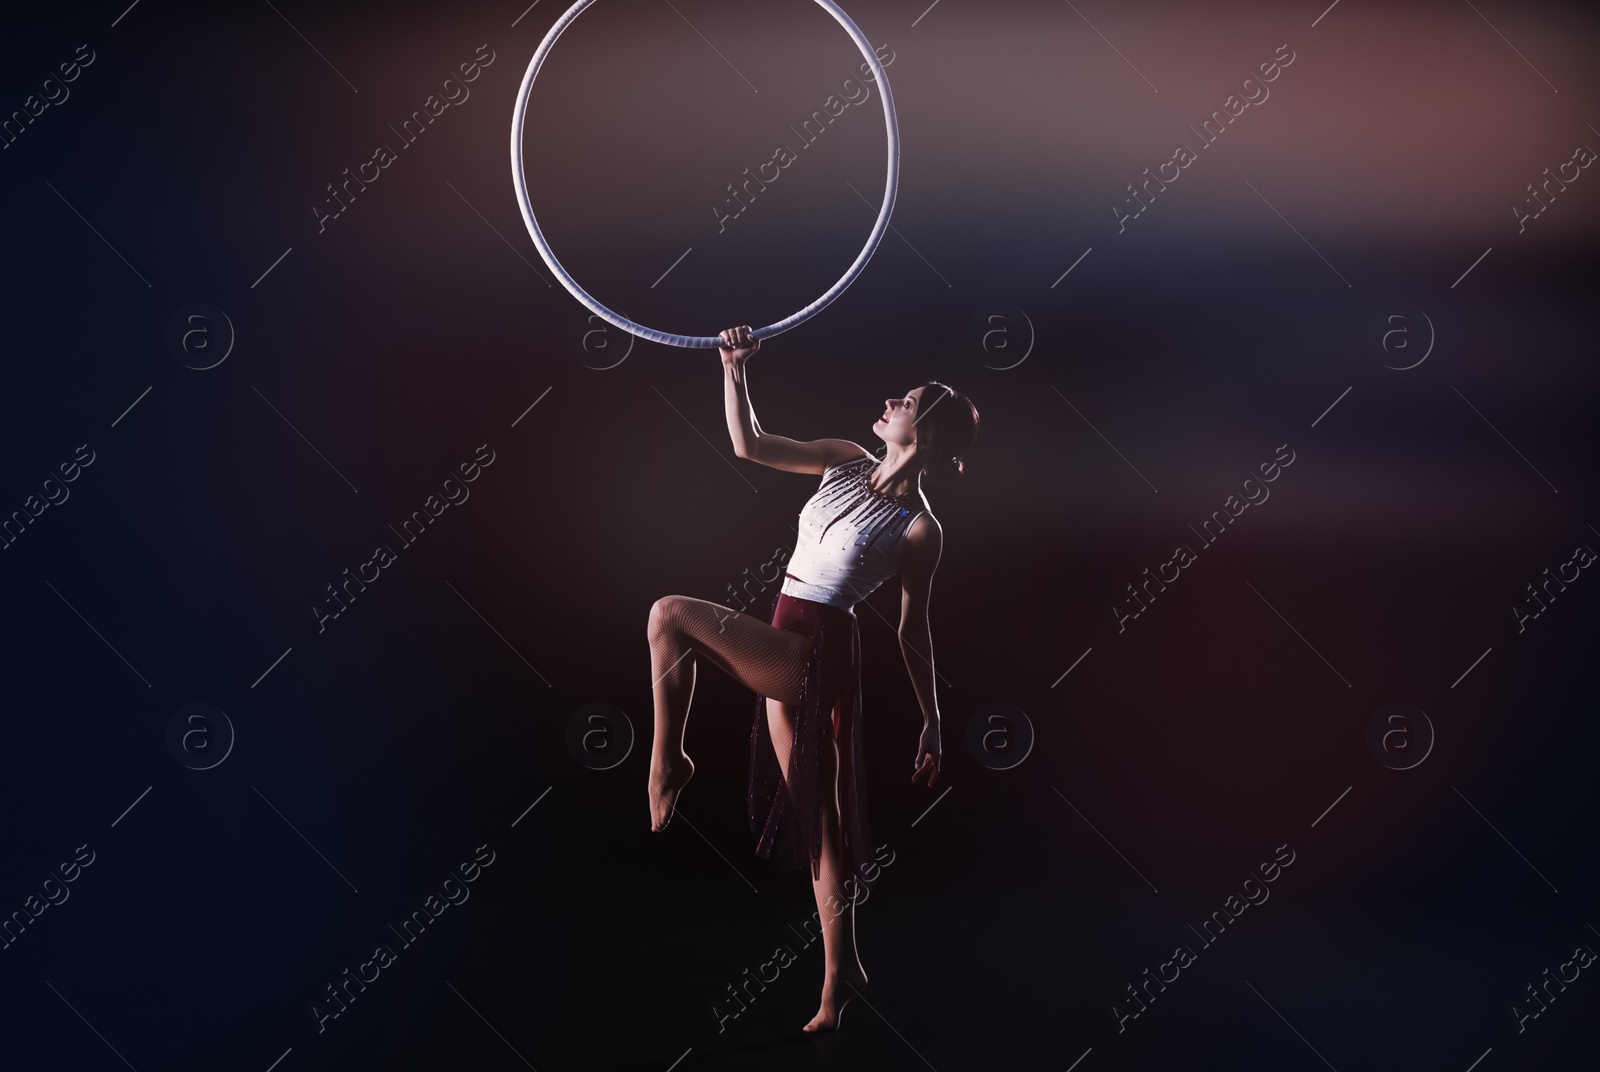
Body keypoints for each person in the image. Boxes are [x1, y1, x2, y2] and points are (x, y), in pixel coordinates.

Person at [646, 324, 979, 1032]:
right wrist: (734, 371)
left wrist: (933, 718)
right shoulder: (843, 459)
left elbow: (911, 628)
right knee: (818, 819)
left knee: (670, 615)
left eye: (908, 401)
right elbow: (751, 445)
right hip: (784, 624)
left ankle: (668, 760)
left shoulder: (920, 528)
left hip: (821, 647)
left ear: (924, 432)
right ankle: (843, 972)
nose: (891, 400)